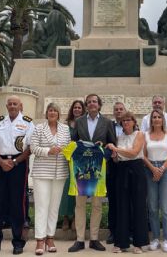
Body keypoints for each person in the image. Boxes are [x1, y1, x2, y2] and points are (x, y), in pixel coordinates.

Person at [0, 96, 34, 255]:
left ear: (20, 105)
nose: (12, 106)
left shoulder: (27, 122)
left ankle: (18, 242)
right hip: (0, 164)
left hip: (19, 164)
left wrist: (15, 162)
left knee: (17, 203)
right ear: (6, 106)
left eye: (15, 104)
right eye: (10, 104)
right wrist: (1, 161)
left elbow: (30, 147)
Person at [68, 93, 117, 253]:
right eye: (89, 102)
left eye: (94, 101)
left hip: (99, 170)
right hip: (81, 170)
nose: (91, 104)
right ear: (86, 105)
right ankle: (80, 240)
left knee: (97, 205)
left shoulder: (107, 122)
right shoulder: (79, 121)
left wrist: (103, 150)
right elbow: (73, 143)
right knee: (80, 205)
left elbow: (112, 144)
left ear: (99, 104)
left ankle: (94, 239)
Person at [30, 103, 72, 255]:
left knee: (54, 208)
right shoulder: (39, 128)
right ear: (46, 113)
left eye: (55, 110)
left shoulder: (65, 129)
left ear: (59, 114)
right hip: (42, 173)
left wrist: (70, 152)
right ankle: (40, 241)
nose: (53, 112)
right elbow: (33, 148)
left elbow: (68, 147)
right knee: (42, 207)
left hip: (59, 173)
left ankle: (50, 238)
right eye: (50, 110)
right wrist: (49, 151)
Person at [106, 111, 149, 254]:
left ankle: (139, 243)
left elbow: (134, 152)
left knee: (138, 205)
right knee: (122, 206)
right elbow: (118, 158)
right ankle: (121, 242)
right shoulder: (119, 137)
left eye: (129, 120)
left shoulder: (140, 134)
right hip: (122, 171)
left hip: (136, 170)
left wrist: (115, 149)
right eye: (124, 120)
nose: (126, 122)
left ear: (134, 122)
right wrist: (114, 156)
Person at [143, 109, 167, 253]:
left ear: (162, 120)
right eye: (154, 117)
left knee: (166, 207)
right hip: (149, 169)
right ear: (151, 120)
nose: (156, 119)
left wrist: (161, 169)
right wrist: (153, 169)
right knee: (152, 207)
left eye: (159, 117)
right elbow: (142, 155)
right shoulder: (145, 135)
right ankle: (155, 238)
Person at [59, 100, 85, 231]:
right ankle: (65, 217)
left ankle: (75, 217)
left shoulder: (85, 124)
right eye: (75, 107)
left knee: (78, 188)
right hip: (67, 159)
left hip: (80, 160)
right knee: (66, 189)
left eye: (79, 107)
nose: (77, 109)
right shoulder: (65, 125)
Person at [106, 101, 125, 245]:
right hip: (112, 168)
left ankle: (127, 231)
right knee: (113, 200)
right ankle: (113, 231)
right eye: (116, 109)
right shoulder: (109, 126)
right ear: (113, 112)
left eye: (121, 109)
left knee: (127, 200)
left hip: (128, 167)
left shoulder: (131, 125)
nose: (119, 111)